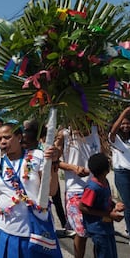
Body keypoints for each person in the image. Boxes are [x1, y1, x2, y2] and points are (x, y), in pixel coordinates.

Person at [0, 122, 62, 257]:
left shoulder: (37, 156)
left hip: (33, 233)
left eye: (7, 137)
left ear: (18, 137)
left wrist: (52, 165)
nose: (3, 141)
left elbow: (51, 191)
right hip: (4, 230)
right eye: (0, 139)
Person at [55, 124, 101, 258]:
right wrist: (73, 168)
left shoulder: (96, 129)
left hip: (96, 188)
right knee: (81, 232)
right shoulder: (64, 134)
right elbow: (54, 161)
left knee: (98, 233)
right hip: (76, 190)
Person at [79, 153, 125, 258]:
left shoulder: (105, 182)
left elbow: (105, 200)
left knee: (111, 253)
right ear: (106, 170)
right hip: (97, 229)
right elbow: (82, 207)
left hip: (106, 226)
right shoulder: (92, 188)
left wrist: (115, 206)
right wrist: (108, 214)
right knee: (103, 253)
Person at [109, 106, 130, 241]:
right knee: (128, 203)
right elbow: (113, 129)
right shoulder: (114, 139)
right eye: (123, 123)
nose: (125, 125)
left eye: (128, 123)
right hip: (122, 174)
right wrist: (125, 112)